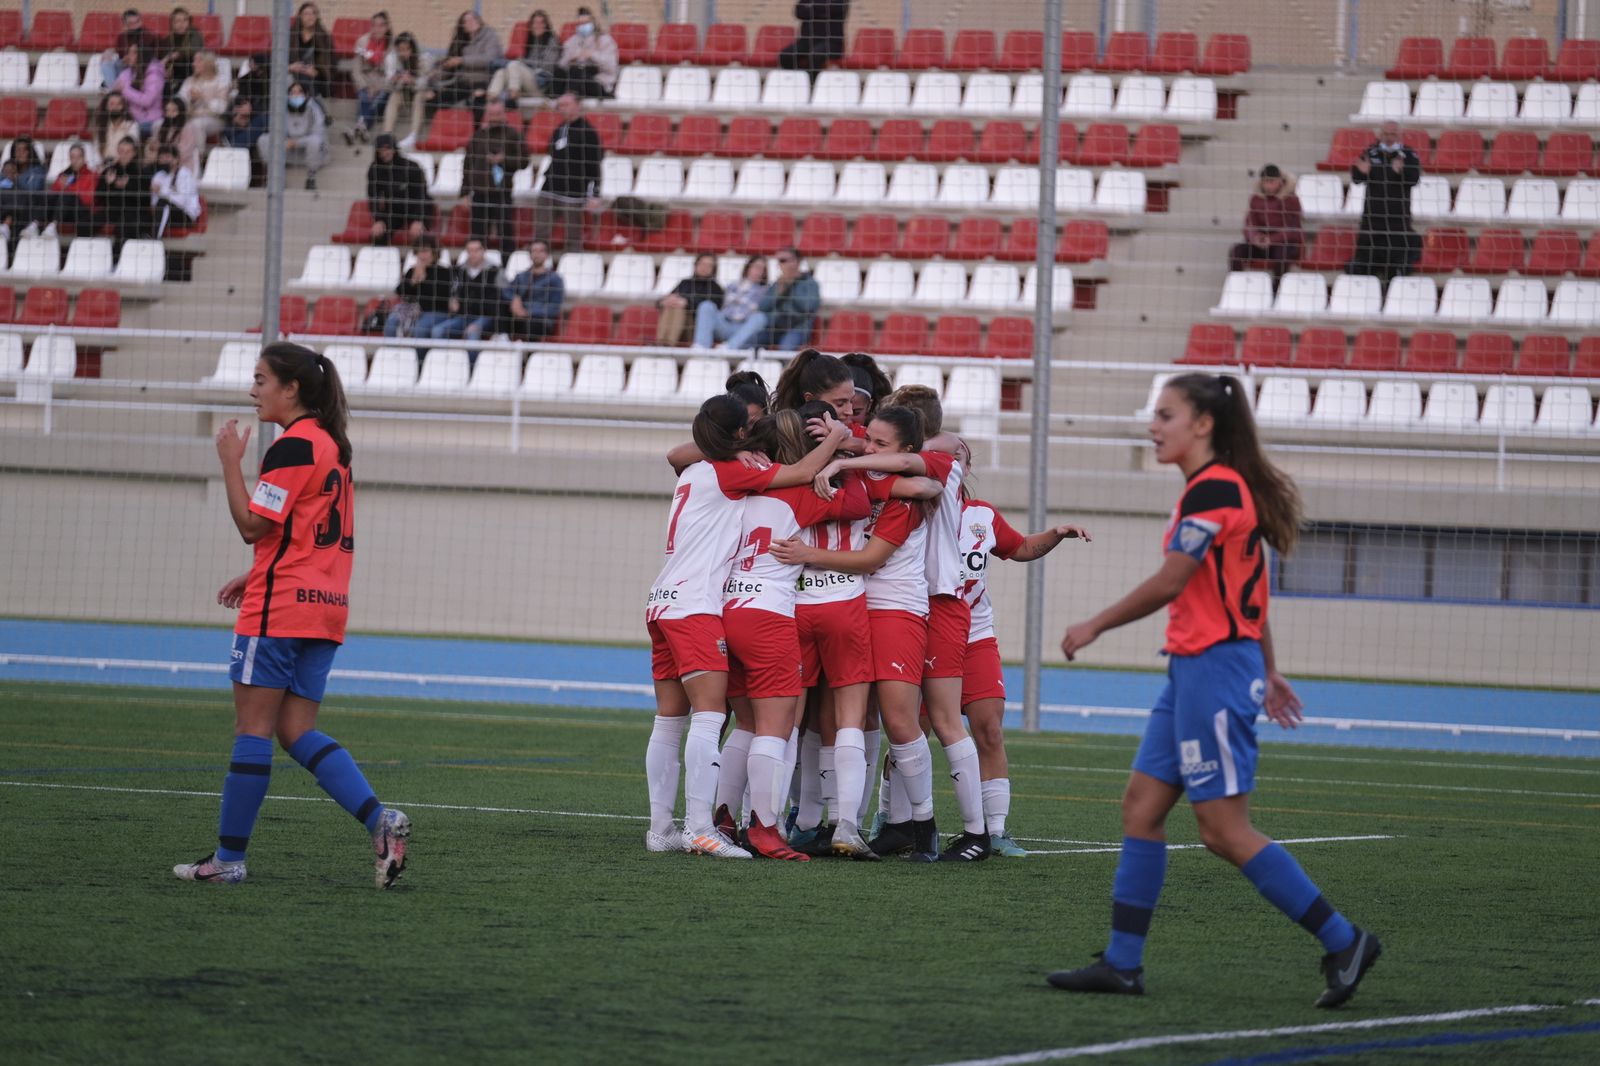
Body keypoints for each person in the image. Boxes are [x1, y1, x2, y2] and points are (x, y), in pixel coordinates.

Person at [1046, 372, 1381, 1007]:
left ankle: (1344, 940)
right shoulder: (1211, 489)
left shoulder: (1216, 489)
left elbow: (1175, 581)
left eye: (1165, 415)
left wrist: (1094, 622)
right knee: (1141, 808)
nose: (1153, 425)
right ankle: (1122, 965)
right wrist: (1270, 665)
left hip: (1215, 673)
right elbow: (1247, 590)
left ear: (1203, 424)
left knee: (1224, 831)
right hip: (1198, 670)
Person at [175, 342, 410, 889]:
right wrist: (255, 571)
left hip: (279, 610)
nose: (253, 390)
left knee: (252, 730)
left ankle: (228, 861)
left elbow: (255, 526)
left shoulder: (293, 445)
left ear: (292, 388)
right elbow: (298, 533)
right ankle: (381, 821)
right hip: (325, 608)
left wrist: (231, 463)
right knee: (297, 729)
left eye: (261, 380)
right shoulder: (332, 446)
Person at [642, 394, 850, 858]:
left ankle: (661, 829)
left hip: (663, 599)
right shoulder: (736, 473)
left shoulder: (695, 470)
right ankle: (701, 828)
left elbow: (680, 453)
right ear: (737, 434)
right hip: (700, 606)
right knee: (712, 715)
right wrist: (838, 437)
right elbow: (804, 477)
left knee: (670, 722)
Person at [955, 499, 1090, 856]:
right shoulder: (908, 509)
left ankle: (996, 831)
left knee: (990, 729)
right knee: (914, 732)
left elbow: (1020, 547)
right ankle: (894, 820)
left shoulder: (981, 515)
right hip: (923, 633)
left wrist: (1056, 534)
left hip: (975, 635)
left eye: (961, 458)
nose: (955, 464)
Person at [1347, 120, 1422, 282]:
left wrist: (1401, 172)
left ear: (1399, 135)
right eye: (1386, 134)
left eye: (1392, 134)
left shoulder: (1409, 154)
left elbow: (1414, 180)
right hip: (1371, 219)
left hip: (1397, 220)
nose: (1389, 137)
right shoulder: (1370, 152)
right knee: (1365, 265)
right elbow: (1356, 178)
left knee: (1394, 267)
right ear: (1380, 134)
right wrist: (1361, 172)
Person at [534, 93, 603, 253]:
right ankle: (539, 266)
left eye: (566, 104)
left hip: (573, 192)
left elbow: (594, 165)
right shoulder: (559, 129)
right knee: (540, 233)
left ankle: (572, 265)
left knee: (573, 236)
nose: (561, 108)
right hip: (549, 188)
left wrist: (594, 194)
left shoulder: (588, 132)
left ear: (578, 106)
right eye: (560, 105)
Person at [464, 100, 529, 254]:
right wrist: (464, 192)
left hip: (502, 193)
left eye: (497, 114)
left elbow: (524, 161)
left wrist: (503, 159)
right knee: (478, 235)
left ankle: (507, 267)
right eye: (491, 114)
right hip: (479, 192)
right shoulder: (479, 135)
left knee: (505, 234)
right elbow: (467, 165)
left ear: (504, 113)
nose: (494, 117)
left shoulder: (513, 134)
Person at [726, 248, 820, 353]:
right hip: (775, 328)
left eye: (785, 260)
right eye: (780, 261)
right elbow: (763, 307)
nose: (782, 264)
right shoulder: (778, 283)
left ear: (797, 262)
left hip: (797, 328)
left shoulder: (810, 283)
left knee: (785, 350)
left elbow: (809, 306)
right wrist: (779, 291)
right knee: (748, 344)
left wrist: (791, 286)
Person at [423, 11, 502, 126]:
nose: (470, 22)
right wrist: (435, 76)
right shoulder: (461, 42)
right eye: (466, 21)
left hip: (483, 81)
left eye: (473, 19)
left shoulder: (490, 36)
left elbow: (490, 59)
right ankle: (438, 131)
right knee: (432, 97)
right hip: (462, 82)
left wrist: (462, 60)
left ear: (479, 20)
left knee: (478, 101)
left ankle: (476, 137)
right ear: (463, 27)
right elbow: (449, 68)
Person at [1227, 164, 1303, 278]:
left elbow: (1294, 229)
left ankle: (1277, 290)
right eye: (1265, 182)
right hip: (1261, 242)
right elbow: (1249, 224)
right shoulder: (1256, 199)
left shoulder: (1291, 200)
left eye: (1272, 182)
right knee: (1236, 252)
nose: (1268, 185)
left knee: (1282, 256)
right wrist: (1256, 238)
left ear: (1280, 181)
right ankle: (1237, 284)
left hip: (1283, 243)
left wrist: (1272, 240)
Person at [437, 237, 502, 358]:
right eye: (469, 250)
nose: (473, 254)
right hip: (463, 316)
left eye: (476, 250)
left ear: (484, 251)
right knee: (438, 331)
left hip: (487, 316)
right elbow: (452, 291)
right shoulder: (458, 271)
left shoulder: (497, 271)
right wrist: (452, 299)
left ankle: (472, 370)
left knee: (473, 333)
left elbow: (504, 297)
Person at [261, 81, 329, 191]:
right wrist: (285, 142)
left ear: (306, 95)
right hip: (288, 150)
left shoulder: (314, 108)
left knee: (315, 141)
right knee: (264, 139)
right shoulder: (282, 108)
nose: (296, 95)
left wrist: (296, 142)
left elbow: (319, 133)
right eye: (292, 93)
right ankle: (275, 178)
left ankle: (311, 177)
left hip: (310, 151)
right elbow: (275, 130)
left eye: (299, 92)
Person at [366, 133, 432, 245]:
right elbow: (373, 197)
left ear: (394, 149)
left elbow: (422, 196)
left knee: (419, 235)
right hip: (393, 210)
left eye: (387, 149)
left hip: (416, 208)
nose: (384, 153)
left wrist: (419, 220)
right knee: (377, 235)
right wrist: (378, 220)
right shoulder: (375, 169)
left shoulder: (411, 167)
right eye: (381, 150)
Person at [693, 255, 768, 350]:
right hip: (725, 324)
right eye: (756, 267)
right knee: (706, 305)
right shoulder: (732, 286)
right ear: (748, 267)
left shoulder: (766, 291)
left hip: (743, 329)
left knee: (760, 317)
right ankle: (701, 346)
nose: (758, 271)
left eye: (762, 269)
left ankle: (729, 347)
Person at [384, 238, 452, 338]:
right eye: (419, 251)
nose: (422, 255)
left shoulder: (444, 272)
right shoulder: (412, 271)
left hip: (436, 312)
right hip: (412, 311)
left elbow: (440, 298)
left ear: (434, 252)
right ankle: (391, 352)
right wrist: (413, 281)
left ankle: (419, 354)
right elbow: (399, 291)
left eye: (425, 251)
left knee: (420, 328)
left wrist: (424, 280)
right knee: (391, 323)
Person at [488, 10, 562, 102]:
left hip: (540, 83)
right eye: (535, 23)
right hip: (524, 81)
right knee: (501, 72)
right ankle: (490, 99)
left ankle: (512, 97)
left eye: (541, 23)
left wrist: (524, 62)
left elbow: (547, 65)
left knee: (514, 64)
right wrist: (523, 63)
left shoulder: (552, 41)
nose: (537, 26)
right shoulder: (530, 41)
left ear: (546, 25)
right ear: (531, 25)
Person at [500, 238, 564, 342]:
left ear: (547, 255)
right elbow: (507, 291)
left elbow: (554, 308)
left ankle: (530, 355)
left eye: (541, 251)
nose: (537, 254)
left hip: (540, 320)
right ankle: (502, 342)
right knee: (499, 306)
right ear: (529, 255)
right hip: (519, 318)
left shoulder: (555, 279)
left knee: (532, 325)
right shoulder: (521, 276)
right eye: (534, 251)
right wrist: (514, 299)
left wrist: (527, 312)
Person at [345, 11, 394, 144]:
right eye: (374, 25)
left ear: (387, 27)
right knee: (364, 96)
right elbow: (356, 70)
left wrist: (377, 87)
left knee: (377, 99)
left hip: (384, 85)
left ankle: (359, 126)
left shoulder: (392, 45)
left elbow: (391, 74)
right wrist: (366, 86)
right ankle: (364, 128)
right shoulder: (362, 42)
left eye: (381, 25)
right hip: (366, 81)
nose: (377, 29)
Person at [97, 136, 151, 252]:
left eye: (128, 152)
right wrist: (109, 185)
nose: (124, 155)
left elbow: (146, 200)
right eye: (121, 151)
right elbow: (98, 198)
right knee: (87, 221)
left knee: (125, 224)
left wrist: (128, 186)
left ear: (134, 153)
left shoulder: (142, 172)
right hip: (113, 211)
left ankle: (116, 261)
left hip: (134, 213)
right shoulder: (109, 171)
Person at [551, 7, 619, 99]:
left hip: (598, 81)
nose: (582, 26)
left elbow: (611, 67)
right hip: (573, 78)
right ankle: (552, 102)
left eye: (585, 23)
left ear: (593, 23)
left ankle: (570, 100)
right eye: (579, 24)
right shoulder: (572, 41)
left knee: (578, 72)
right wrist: (570, 58)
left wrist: (592, 55)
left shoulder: (605, 40)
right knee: (560, 72)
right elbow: (561, 64)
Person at [655, 253, 723, 346]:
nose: (704, 268)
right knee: (671, 305)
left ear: (714, 269)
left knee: (678, 309)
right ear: (695, 265)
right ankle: (661, 342)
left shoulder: (716, 289)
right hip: (677, 323)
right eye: (702, 264)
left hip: (696, 329)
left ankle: (667, 344)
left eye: (709, 265)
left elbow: (712, 309)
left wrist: (686, 303)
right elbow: (668, 298)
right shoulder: (685, 283)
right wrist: (665, 301)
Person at [381, 32, 431, 150]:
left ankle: (413, 135)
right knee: (394, 96)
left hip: (421, 92)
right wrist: (396, 80)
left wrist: (412, 80)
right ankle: (386, 134)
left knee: (419, 96)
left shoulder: (424, 58)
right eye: (400, 50)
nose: (403, 53)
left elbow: (426, 83)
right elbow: (387, 86)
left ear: (412, 49)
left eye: (406, 50)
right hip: (403, 92)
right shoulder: (391, 59)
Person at [778, 1, 850, 79]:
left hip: (832, 42)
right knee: (786, 55)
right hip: (806, 41)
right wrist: (820, 11)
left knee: (815, 55)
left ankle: (813, 84)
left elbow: (834, 9)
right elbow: (798, 12)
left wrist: (811, 8)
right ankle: (798, 80)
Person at [287, 2, 336, 111]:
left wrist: (316, 71)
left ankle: (313, 110)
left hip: (318, 78)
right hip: (292, 74)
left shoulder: (324, 37)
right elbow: (279, 59)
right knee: (298, 79)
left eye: (313, 13)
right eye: (307, 14)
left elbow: (332, 63)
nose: (311, 16)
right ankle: (321, 111)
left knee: (305, 79)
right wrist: (291, 67)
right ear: (300, 16)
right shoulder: (290, 36)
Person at [115, 40, 167, 137]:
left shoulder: (154, 75)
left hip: (150, 121)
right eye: (129, 52)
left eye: (133, 53)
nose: (129, 56)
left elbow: (147, 100)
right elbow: (118, 87)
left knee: (127, 131)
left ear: (142, 55)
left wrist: (125, 90)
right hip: (132, 119)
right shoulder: (128, 73)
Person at [179, 50, 233, 144]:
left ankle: (198, 156)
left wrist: (203, 98)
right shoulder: (189, 81)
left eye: (198, 61)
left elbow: (221, 109)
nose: (193, 64)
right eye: (194, 61)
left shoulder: (221, 81)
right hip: (190, 117)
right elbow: (180, 103)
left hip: (214, 119)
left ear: (208, 64)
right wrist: (191, 101)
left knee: (196, 125)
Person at [149, 143, 200, 238]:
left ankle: (154, 239)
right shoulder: (158, 176)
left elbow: (182, 201)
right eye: (162, 157)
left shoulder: (184, 174)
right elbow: (153, 204)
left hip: (185, 215)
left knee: (163, 204)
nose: (164, 160)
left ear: (176, 159)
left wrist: (161, 191)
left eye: (167, 157)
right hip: (163, 214)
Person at [100, 9, 157, 90]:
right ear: (124, 24)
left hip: (141, 69)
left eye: (137, 22)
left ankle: (113, 90)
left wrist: (132, 59)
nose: (135, 26)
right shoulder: (121, 37)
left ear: (141, 21)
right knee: (106, 64)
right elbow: (121, 56)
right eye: (131, 23)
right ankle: (113, 90)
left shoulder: (149, 36)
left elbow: (150, 58)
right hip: (125, 67)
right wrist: (109, 52)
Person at [150, 96, 200, 175]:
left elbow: (186, 151)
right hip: (161, 164)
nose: (170, 114)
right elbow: (157, 145)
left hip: (182, 166)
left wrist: (169, 158)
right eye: (167, 110)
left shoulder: (187, 128)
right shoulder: (162, 127)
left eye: (174, 111)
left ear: (181, 111)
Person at [162, 7, 207, 92]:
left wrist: (173, 56)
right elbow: (164, 58)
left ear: (189, 22)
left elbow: (194, 48)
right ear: (172, 23)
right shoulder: (168, 39)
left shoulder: (194, 33)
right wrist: (165, 68)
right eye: (178, 21)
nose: (181, 24)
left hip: (192, 73)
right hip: (175, 76)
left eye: (185, 20)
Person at [94, 91, 143, 161]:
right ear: (106, 107)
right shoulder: (101, 127)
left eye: (118, 104)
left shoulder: (132, 126)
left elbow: (131, 151)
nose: (115, 107)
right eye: (112, 104)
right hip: (104, 166)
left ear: (123, 107)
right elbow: (97, 152)